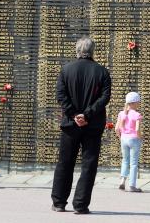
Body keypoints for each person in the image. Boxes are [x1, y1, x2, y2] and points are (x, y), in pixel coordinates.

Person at [51, 37, 111, 214]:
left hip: (70, 125)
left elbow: (61, 96)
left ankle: (59, 202)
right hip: (92, 126)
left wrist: (74, 114)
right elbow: (105, 98)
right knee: (89, 165)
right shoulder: (102, 72)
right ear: (92, 50)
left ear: (77, 50)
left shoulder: (66, 70)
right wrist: (87, 114)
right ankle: (80, 204)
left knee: (65, 163)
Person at [115, 92, 143, 192]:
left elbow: (116, 129)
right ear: (134, 103)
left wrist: (121, 137)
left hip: (124, 139)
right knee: (134, 163)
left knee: (125, 160)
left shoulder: (121, 113)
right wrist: (140, 137)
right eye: (138, 102)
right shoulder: (137, 115)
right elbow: (137, 129)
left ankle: (122, 181)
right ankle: (132, 185)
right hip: (134, 139)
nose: (139, 104)